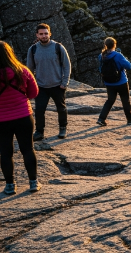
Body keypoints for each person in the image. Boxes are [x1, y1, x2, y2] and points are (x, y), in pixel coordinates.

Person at [0, 41, 40, 195]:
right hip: (23, 116)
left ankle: (10, 185)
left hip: (2, 120)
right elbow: (34, 93)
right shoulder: (22, 70)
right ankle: (33, 182)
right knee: (28, 149)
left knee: (5, 152)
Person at [26, 23, 71, 141]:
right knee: (39, 110)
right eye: (41, 34)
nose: (44, 36)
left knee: (61, 108)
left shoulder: (58, 47)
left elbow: (67, 66)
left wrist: (64, 82)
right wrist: (31, 85)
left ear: (50, 34)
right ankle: (39, 132)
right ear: (37, 35)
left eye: (46, 33)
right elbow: (29, 69)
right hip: (41, 86)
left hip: (58, 85)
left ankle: (62, 129)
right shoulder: (33, 49)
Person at [96, 38, 131, 126]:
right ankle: (130, 119)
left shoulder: (101, 56)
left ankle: (101, 118)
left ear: (105, 45)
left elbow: (100, 69)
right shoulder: (118, 55)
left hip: (108, 83)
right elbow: (129, 66)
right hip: (121, 82)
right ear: (114, 45)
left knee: (110, 100)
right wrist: (123, 58)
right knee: (125, 100)